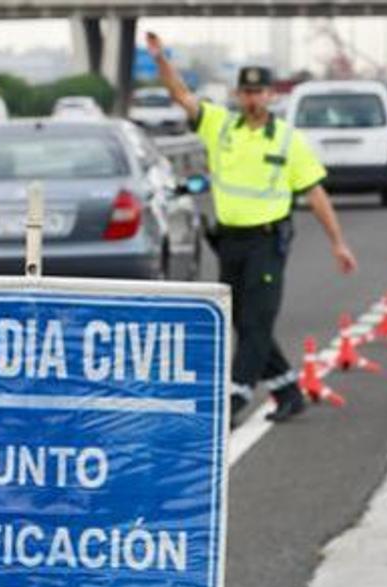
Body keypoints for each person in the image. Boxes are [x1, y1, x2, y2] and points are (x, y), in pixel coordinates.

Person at [145, 32, 358, 424]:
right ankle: (288, 392)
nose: (253, 99)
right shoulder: (220, 127)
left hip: (266, 242)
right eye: (246, 92)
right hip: (229, 243)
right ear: (238, 95)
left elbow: (315, 194)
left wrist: (338, 243)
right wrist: (160, 59)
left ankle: (234, 398)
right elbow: (181, 95)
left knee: (256, 322)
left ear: (271, 96)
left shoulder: (288, 141)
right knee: (243, 321)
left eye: (260, 92)